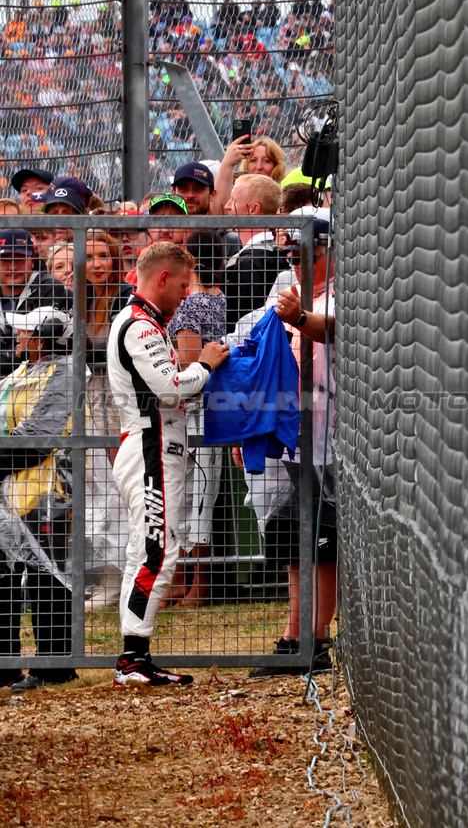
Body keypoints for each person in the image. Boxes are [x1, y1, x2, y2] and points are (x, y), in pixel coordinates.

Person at [108, 241, 229, 686]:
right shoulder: (139, 326)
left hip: (153, 448)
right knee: (157, 550)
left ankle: (134, 657)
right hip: (149, 449)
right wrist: (206, 364)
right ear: (162, 278)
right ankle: (132, 660)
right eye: (181, 284)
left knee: (149, 549)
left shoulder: (145, 323)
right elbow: (172, 389)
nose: (184, 294)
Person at [248, 217, 336, 678]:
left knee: (323, 540)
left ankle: (316, 640)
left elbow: (333, 327)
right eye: (289, 253)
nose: (296, 260)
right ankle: (294, 634)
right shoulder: (290, 294)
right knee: (289, 533)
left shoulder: (342, 290)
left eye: (307, 251)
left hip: (333, 440)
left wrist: (299, 318)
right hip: (296, 436)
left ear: (329, 250)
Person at [0, 306, 79, 691]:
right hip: (11, 492)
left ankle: (55, 666)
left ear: (43, 338)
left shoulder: (64, 373)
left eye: (25, 331)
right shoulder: (20, 373)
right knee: (6, 578)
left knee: (47, 579)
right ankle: (6, 663)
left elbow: (41, 433)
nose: (17, 337)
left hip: (47, 491)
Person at [164, 231, 226, 607]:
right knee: (201, 492)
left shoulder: (192, 306)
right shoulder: (223, 300)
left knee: (193, 495)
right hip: (216, 405)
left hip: (196, 408)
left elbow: (189, 364)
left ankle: (196, 586)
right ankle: (184, 583)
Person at [0, 229, 71, 377]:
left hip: (38, 379)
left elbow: (34, 350)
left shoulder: (49, 287)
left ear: (32, 260)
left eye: (20, 258)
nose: (13, 267)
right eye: (5, 259)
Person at [222, 174, 285, 332]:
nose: (227, 206)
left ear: (254, 209)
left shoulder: (250, 262)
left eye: (234, 201)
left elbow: (248, 326)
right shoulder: (278, 255)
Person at [211, 135, 285, 218]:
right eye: (253, 160)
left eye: (266, 161)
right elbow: (219, 215)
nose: (259, 166)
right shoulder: (233, 191)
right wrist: (227, 163)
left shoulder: (285, 196)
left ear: (276, 165)